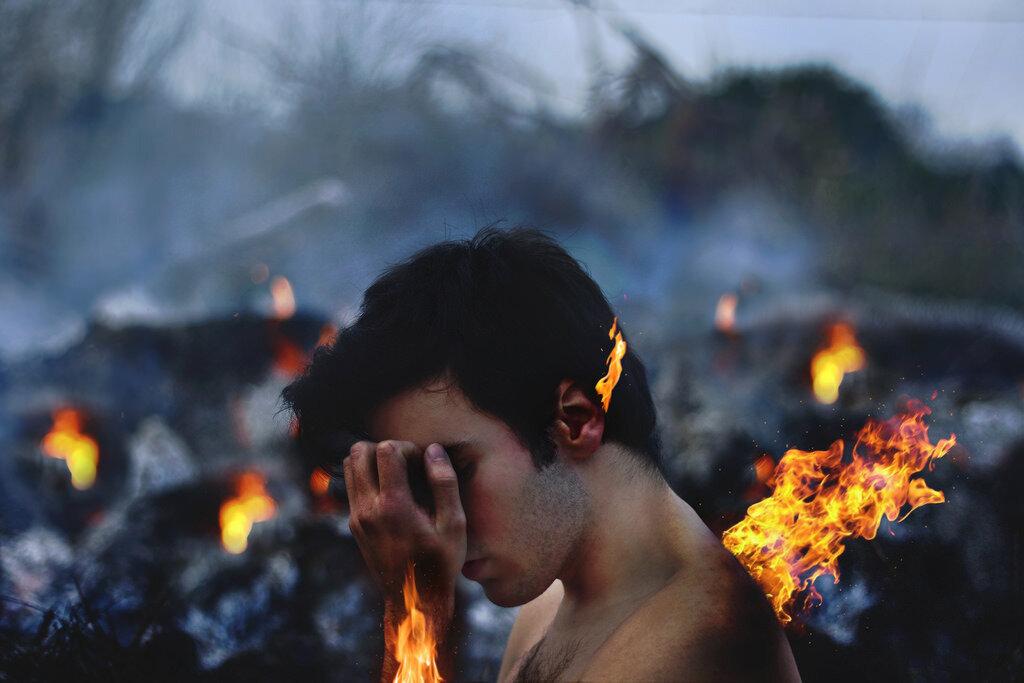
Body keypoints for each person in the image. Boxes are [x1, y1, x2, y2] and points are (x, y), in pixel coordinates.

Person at [283, 227, 800, 682]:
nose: (444, 524)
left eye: (455, 471)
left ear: (575, 420)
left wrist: (414, 610)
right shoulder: (554, 599)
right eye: (422, 485)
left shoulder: (695, 644)